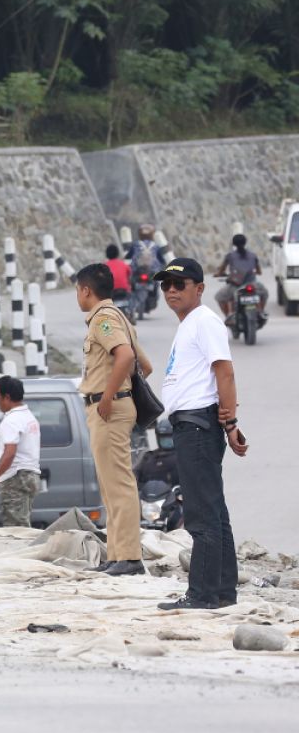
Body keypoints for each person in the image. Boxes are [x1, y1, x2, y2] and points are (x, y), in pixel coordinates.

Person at [153, 259, 248, 610]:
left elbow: (224, 372)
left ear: (200, 288)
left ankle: (202, 594)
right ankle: (222, 591)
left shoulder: (205, 321)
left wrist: (232, 423)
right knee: (215, 511)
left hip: (196, 426)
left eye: (181, 284)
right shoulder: (191, 323)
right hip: (194, 424)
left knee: (201, 514)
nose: (172, 291)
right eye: (166, 285)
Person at [75, 262, 152, 576]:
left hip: (107, 409)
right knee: (110, 485)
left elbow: (128, 357)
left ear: (86, 291)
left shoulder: (104, 319)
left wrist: (110, 397)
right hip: (113, 408)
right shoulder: (118, 315)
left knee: (118, 484)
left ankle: (129, 557)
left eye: (78, 291)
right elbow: (144, 366)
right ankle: (118, 554)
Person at [0, 376, 41, 527]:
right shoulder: (28, 417)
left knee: (15, 528)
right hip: (29, 475)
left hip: (16, 478)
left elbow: (10, 453)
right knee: (22, 522)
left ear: (7, 397)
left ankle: (22, 550)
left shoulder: (12, 420)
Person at [214, 233, 267, 319]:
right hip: (252, 284)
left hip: (236, 285)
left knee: (219, 297)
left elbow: (221, 270)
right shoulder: (253, 255)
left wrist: (218, 274)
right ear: (245, 242)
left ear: (233, 244)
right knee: (264, 294)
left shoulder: (230, 256)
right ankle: (261, 311)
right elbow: (259, 272)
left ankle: (229, 316)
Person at [133, 418, 179, 489]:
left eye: (170, 437)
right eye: (164, 438)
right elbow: (135, 472)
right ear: (158, 437)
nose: (168, 441)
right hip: (147, 496)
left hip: (174, 495)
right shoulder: (148, 456)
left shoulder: (182, 456)